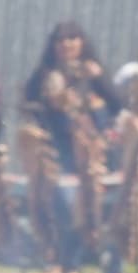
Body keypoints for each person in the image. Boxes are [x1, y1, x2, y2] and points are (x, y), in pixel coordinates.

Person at [25, 21, 115, 169]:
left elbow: (117, 104)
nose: (66, 44)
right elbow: (30, 101)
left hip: (94, 145)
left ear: (82, 42)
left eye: (72, 39)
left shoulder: (93, 71)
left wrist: (100, 78)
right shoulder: (45, 74)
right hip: (58, 142)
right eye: (60, 40)